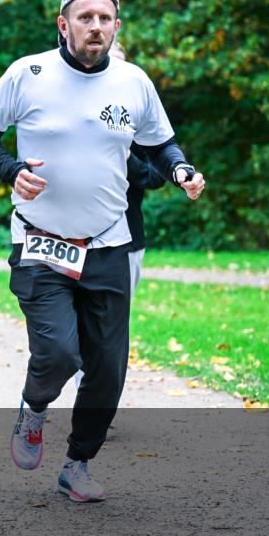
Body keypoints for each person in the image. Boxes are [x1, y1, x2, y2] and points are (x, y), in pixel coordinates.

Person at [0, 0, 205, 502]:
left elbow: (160, 142)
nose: (95, 26)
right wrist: (11, 170)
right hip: (39, 241)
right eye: (84, 17)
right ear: (63, 24)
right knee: (57, 353)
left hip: (109, 243)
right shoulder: (27, 75)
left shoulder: (133, 81)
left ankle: (77, 463)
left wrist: (181, 168)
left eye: (104, 18)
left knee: (107, 367)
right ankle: (33, 409)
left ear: (116, 26)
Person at [72, 40, 167, 389]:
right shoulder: (69, 113)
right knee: (72, 321)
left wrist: (127, 158)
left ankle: (93, 399)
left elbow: (159, 175)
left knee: (108, 324)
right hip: (68, 236)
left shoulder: (138, 118)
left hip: (126, 239)